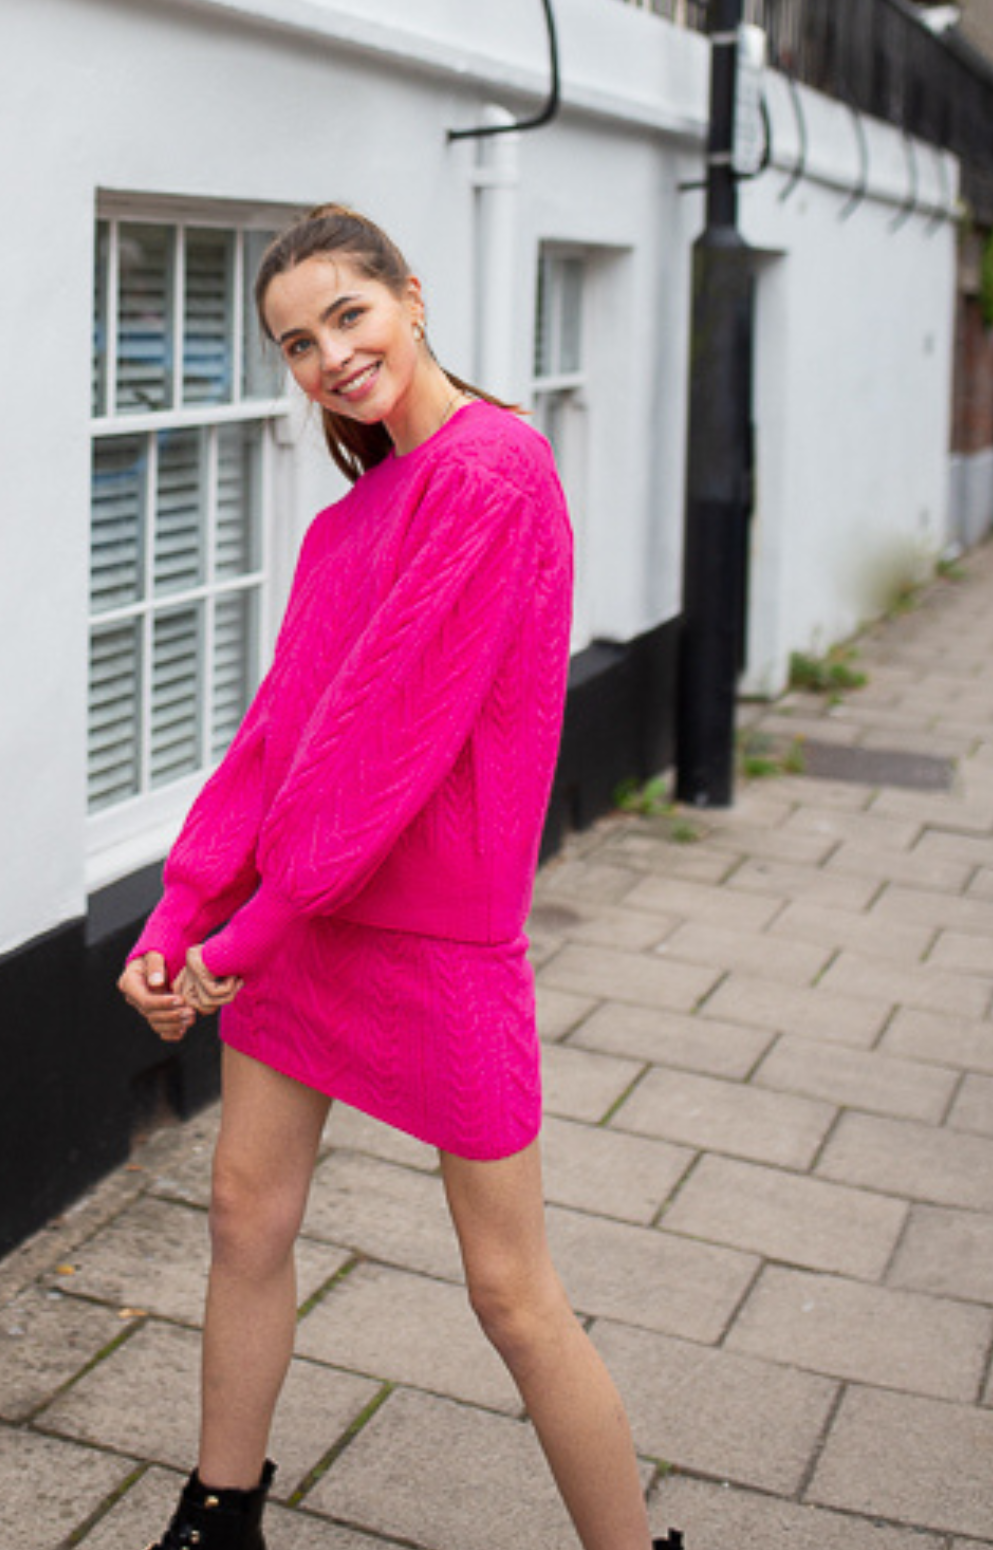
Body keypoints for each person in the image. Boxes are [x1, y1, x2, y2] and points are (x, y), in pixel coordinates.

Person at [119, 204, 682, 1550]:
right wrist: (180, 912)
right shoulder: (344, 526)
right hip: (300, 930)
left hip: (429, 941)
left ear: (411, 298)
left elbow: (389, 741)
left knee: (510, 1291)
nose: (331, 358)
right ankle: (219, 1515)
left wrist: (242, 937)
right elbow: (280, 737)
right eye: (298, 345)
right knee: (245, 1214)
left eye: (348, 317)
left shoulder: (494, 472)